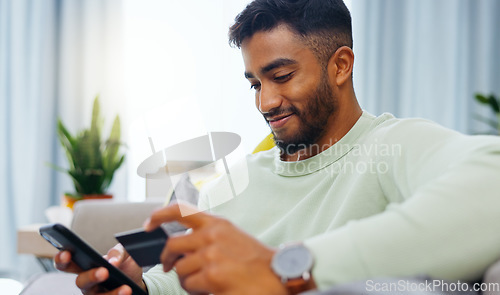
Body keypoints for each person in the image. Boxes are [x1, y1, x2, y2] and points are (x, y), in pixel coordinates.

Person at [55, 0, 500, 294]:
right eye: (254, 83)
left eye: (282, 77)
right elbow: (190, 278)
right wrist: (141, 287)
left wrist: (287, 267)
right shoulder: (233, 184)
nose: (265, 102)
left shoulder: (392, 146)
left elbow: (491, 188)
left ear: (340, 66)